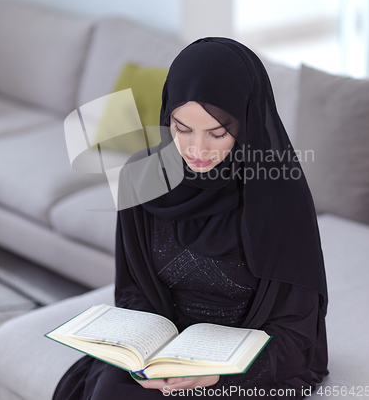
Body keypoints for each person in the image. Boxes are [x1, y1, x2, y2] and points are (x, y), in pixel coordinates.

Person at [53, 37, 328, 399]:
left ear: (246, 123)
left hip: (238, 364)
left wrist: (214, 377)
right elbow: (134, 291)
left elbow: (295, 336)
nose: (197, 150)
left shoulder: (278, 195)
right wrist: (146, 352)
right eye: (182, 129)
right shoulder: (143, 177)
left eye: (217, 132)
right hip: (163, 354)